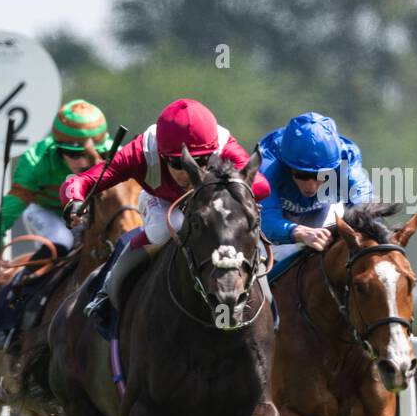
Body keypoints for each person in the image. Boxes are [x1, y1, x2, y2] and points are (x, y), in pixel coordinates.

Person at [60, 98, 270, 336]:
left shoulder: (224, 145)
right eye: (178, 162)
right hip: (161, 202)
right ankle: (106, 293)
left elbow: (261, 186)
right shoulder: (140, 151)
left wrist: (228, 186)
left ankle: (268, 305)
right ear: (161, 154)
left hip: (208, 203)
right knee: (167, 226)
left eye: (202, 161)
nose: (191, 170)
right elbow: (82, 181)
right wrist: (74, 200)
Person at [0, 99, 111, 348]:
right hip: (46, 212)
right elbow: (5, 214)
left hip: (89, 214)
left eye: (90, 154)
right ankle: (9, 311)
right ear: (57, 149)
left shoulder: (112, 156)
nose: (84, 162)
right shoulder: (36, 162)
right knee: (62, 239)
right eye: (73, 155)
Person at [258, 111, 373, 277]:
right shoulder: (268, 165)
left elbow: (365, 208)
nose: (311, 186)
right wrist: (298, 232)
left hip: (325, 210)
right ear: (286, 165)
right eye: (302, 175)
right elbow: (266, 220)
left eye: (322, 176)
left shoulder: (345, 159)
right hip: (278, 218)